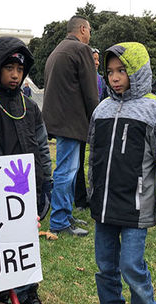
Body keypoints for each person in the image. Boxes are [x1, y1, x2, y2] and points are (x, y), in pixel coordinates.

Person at [89, 41, 156, 304]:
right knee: (105, 265)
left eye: (122, 71)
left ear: (137, 71)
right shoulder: (101, 109)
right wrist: (90, 188)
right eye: (111, 71)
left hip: (136, 203)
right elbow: (92, 152)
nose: (115, 77)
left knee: (131, 265)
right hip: (104, 203)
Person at [0, 36, 52, 304]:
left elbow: (41, 146)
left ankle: (29, 292)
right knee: (1, 244)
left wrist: (47, 180)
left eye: (19, 69)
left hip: (30, 188)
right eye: (8, 69)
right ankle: (4, 291)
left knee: (26, 243)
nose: (15, 75)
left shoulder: (31, 107)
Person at [42, 15, 98, 236]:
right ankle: (59, 220)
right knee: (67, 171)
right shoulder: (80, 50)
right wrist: (96, 119)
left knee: (68, 170)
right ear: (83, 29)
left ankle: (64, 214)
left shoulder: (57, 50)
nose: (90, 35)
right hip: (71, 121)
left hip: (59, 119)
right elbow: (90, 91)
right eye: (90, 30)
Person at [74, 48, 108, 212]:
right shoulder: (79, 78)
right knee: (78, 163)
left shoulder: (102, 79)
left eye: (97, 59)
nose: (96, 62)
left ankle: (97, 195)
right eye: (93, 59)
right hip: (81, 125)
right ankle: (79, 198)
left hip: (99, 125)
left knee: (99, 161)